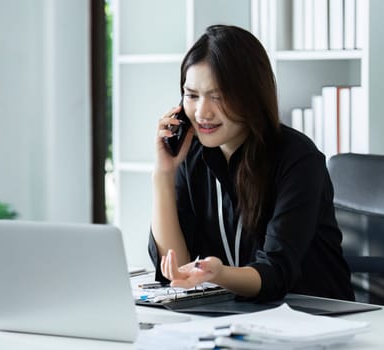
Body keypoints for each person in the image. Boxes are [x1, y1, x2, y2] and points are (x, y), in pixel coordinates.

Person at [149, 24, 355, 302]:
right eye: (192, 95)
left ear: (250, 95)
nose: (201, 113)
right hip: (234, 315)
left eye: (218, 96)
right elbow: (173, 269)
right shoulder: (192, 155)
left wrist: (219, 274)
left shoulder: (298, 159)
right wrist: (163, 175)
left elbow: (275, 273)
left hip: (312, 315)